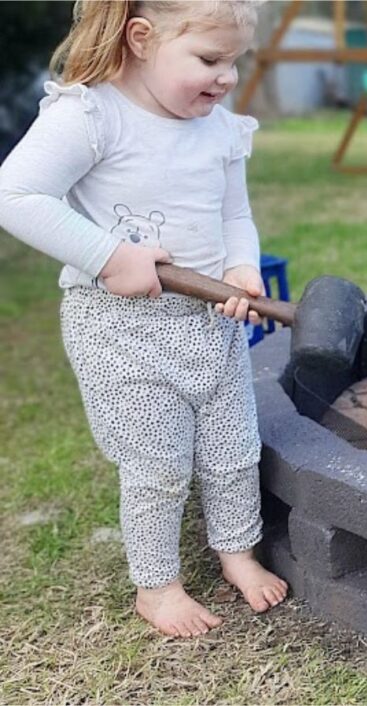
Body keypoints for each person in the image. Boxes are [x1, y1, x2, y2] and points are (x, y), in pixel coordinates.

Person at [0, 0, 288, 638]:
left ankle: (235, 553)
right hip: (120, 332)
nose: (226, 78)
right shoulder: (93, 115)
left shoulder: (217, 128)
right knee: (158, 464)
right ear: (141, 38)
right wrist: (108, 257)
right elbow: (14, 194)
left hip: (209, 326)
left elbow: (234, 216)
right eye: (210, 59)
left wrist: (241, 268)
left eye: (233, 61)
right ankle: (157, 587)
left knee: (231, 452)